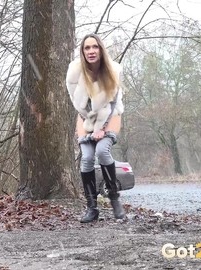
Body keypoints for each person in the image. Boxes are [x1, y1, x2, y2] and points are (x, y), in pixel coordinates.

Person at [66, 33, 126, 223]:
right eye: (87, 48)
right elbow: (78, 104)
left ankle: (114, 199)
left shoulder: (112, 71)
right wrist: (89, 126)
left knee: (102, 151)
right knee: (87, 158)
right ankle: (92, 208)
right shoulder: (75, 73)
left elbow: (113, 102)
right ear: (82, 52)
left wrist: (102, 128)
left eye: (95, 47)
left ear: (100, 49)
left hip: (111, 115)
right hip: (85, 119)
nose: (91, 51)